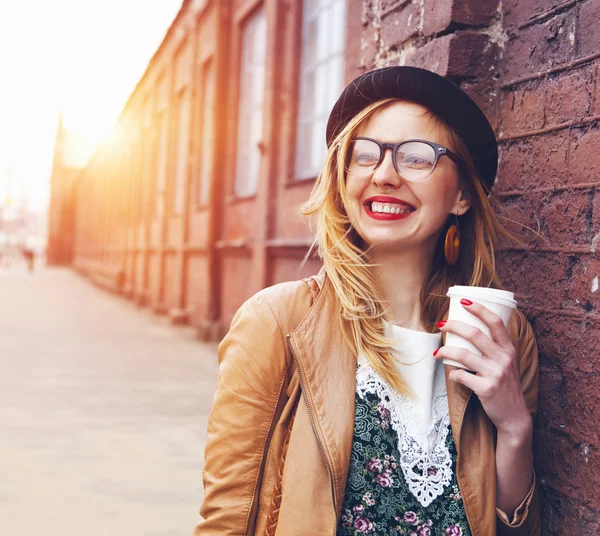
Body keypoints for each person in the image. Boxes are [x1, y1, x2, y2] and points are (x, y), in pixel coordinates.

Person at [195, 66, 540, 536]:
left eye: (417, 158)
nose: (384, 174)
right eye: (364, 154)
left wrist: (516, 429)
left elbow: (519, 529)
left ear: (460, 195)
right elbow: (227, 519)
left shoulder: (505, 337)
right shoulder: (277, 321)